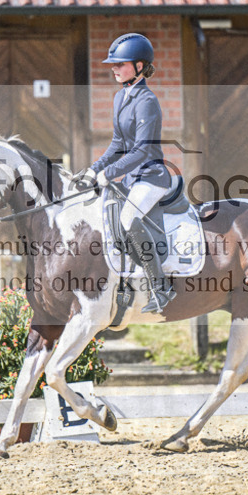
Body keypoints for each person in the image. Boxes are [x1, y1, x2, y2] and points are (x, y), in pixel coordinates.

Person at [76, 33, 175, 313]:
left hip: (152, 176)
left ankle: (161, 288)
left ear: (140, 66)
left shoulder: (147, 101)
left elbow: (142, 150)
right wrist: (93, 170)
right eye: (113, 64)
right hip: (133, 178)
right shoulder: (121, 97)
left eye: (120, 63)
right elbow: (118, 145)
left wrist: (110, 173)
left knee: (128, 217)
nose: (114, 68)